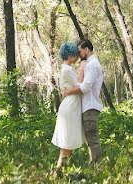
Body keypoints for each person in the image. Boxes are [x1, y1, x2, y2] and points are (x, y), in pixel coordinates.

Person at [61, 39, 103, 164]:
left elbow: (85, 87)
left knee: (92, 138)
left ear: (87, 49)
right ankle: (95, 165)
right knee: (89, 138)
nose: (78, 54)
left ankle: (97, 165)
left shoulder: (92, 64)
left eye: (80, 51)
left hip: (90, 106)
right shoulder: (89, 64)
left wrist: (68, 92)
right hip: (86, 106)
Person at [51, 42, 84, 172]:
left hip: (72, 104)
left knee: (68, 138)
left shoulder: (67, 68)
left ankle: (64, 168)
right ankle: (60, 168)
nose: (76, 57)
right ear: (69, 56)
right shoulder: (67, 70)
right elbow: (80, 85)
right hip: (70, 105)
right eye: (75, 55)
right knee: (67, 139)